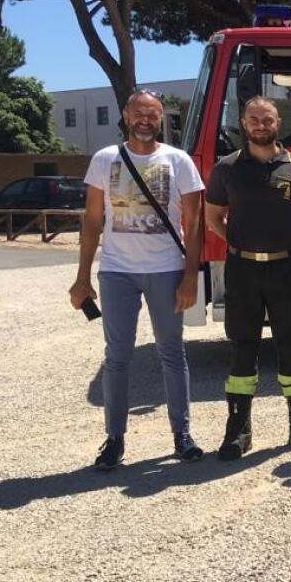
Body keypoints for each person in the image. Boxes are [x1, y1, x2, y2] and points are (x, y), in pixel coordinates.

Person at [68, 88, 205, 469]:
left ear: (161, 119)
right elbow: (93, 221)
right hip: (117, 272)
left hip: (166, 269)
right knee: (118, 358)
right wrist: (82, 278)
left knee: (172, 354)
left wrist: (190, 276)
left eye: (153, 115)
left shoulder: (178, 161)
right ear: (126, 116)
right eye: (139, 113)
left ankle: (182, 434)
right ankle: (114, 438)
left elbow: (193, 226)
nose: (146, 120)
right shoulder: (104, 160)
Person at [205, 96, 291, 460]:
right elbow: (213, 218)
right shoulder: (227, 168)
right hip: (242, 270)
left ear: (278, 122)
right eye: (254, 119)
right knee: (243, 345)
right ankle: (238, 430)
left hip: (285, 269)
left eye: (268, 119)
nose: (261, 124)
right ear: (243, 123)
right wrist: (240, 245)